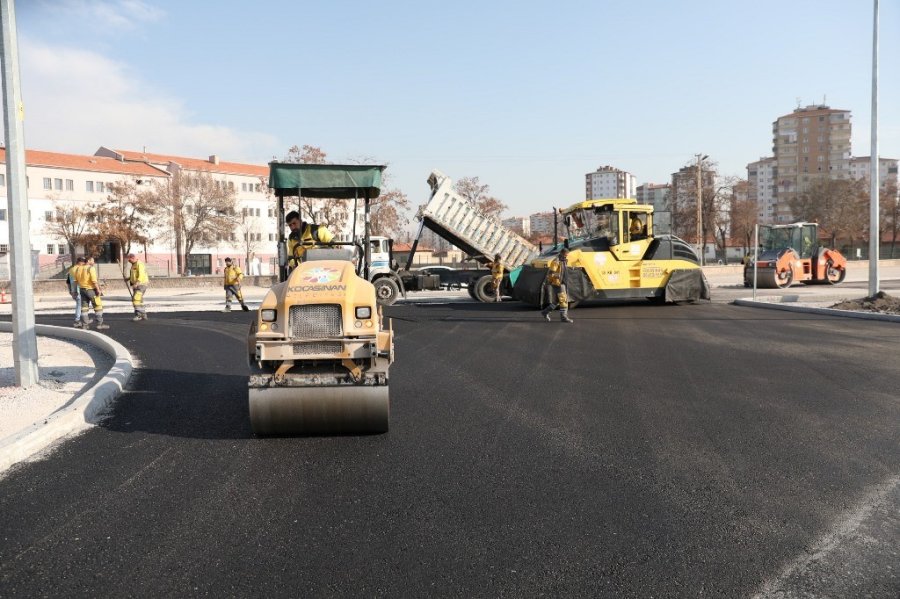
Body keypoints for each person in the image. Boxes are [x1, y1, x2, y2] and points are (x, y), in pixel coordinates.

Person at [540, 248, 573, 323]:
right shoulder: (556, 261)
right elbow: (551, 273)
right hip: (558, 283)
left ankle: (545, 312)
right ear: (562, 253)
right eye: (566, 255)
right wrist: (557, 276)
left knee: (557, 301)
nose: (567, 256)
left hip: (563, 283)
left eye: (567, 255)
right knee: (563, 299)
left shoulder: (564, 261)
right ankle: (564, 317)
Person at [75, 256, 108, 330]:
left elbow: (76, 280)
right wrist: (98, 289)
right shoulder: (91, 268)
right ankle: (100, 324)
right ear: (89, 260)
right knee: (98, 306)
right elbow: (94, 280)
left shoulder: (79, 268)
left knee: (84, 308)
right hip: (91, 290)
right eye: (93, 260)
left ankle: (85, 325)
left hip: (82, 290)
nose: (94, 262)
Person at [127, 253, 149, 321]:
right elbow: (134, 275)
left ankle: (140, 315)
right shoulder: (133, 265)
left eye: (130, 260)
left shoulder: (139, 264)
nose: (129, 261)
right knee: (139, 301)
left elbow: (141, 275)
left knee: (136, 299)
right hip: (136, 285)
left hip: (141, 285)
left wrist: (136, 283)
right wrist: (128, 278)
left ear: (133, 258)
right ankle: (143, 315)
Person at [66, 256, 86, 328]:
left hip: (73, 290)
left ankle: (82, 319)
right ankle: (77, 321)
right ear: (80, 262)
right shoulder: (80, 269)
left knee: (80, 305)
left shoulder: (71, 269)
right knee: (80, 305)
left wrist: (70, 291)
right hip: (79, 290)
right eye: (83, 262)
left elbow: (68, 282)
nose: (84, 264)